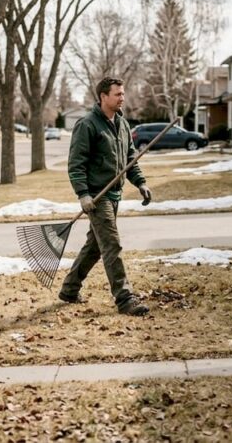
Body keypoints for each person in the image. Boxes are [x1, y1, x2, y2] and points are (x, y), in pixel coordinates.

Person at [59, 77, 152, 316]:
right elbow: (76, 164)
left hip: (114, 194)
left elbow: (130, 160)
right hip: (97, 198)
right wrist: (83, 194)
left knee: (95, 246)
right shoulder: (87, 124)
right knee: (111, 244)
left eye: (123, 94)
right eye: (118, 94)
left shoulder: (121, 124)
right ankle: (125, 299)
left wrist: (140, 182)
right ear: (103, 96)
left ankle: (69, 289)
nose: (122, 98)